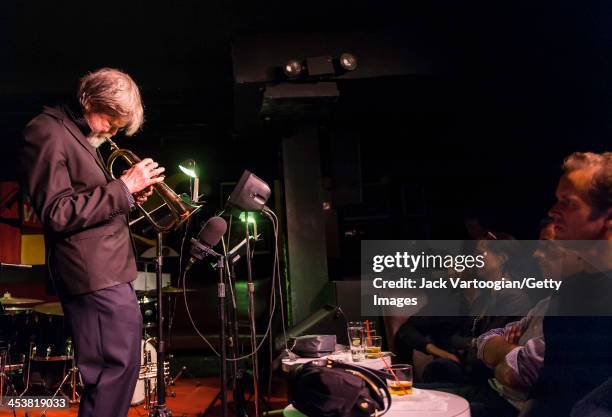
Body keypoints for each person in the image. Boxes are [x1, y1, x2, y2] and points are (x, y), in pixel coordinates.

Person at [21, 68, 165, 417]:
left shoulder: (82, 137)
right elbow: (56, 212)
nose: (113, 131)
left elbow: (89, 204)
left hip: (110, 271)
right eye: (110, 121)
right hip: (92, 275)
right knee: (111, 374)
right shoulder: (46, 131)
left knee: (122, 370)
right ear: (89, 101)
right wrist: (122, 188)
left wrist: (127, 197)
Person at [529, 151, 612, 417]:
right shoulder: (571, 289)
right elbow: (550, 390)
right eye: (557, 201)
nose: (553, 212)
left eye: (569, 203)